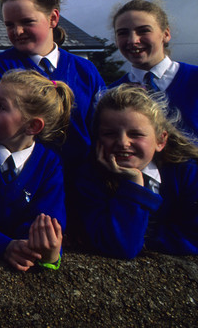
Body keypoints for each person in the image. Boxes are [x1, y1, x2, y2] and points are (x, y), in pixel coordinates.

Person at [0, 0, 105, 174]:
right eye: (9, 25)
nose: (17, 31)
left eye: (27, 22)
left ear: (53, 18)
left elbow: (103, 128)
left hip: (86, 182)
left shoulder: (85, 70)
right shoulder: (0, 67)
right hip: (30, 180)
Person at [0, 70, 73, 271]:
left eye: (1, 107)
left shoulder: (49, 164)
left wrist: (46, 253)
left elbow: (46, 224)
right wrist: (3, 245)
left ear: (33, 126)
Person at [77, 84, 198, 258]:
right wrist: (133, 185)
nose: (123, 142)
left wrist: (142, 236)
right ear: (97, 138)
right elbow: (121, 245)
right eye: (110, 133)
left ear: (161, 140)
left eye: (136, 134)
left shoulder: (187, 173)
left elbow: (192, 237)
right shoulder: (90, 178)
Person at [110, 0, 198, 139]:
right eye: (123, 33)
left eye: (143, 31)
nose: (133, 40)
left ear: (166, 34)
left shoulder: (194, 79)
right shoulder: (112, 95)